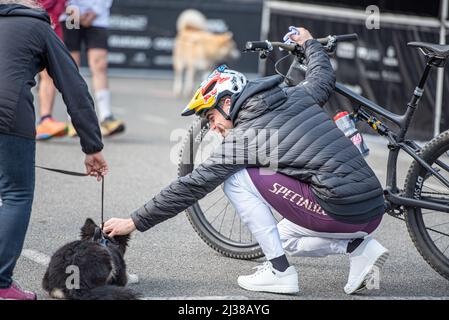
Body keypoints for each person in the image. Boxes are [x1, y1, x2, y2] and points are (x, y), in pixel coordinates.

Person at [104, 27, 389, 295]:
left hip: (342, 209)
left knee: (236, 177)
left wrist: (134, 221)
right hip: (373, 209)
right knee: (284, 238)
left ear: (227, 103)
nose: (213, 127)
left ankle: (280, 273)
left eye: (210, 117)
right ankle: (358, 248)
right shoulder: (297, 94)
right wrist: (310, 43)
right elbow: (322, 76)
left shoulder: (245, 136)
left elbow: (192, 185)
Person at [0, 0, 108, 300]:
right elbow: (73, 86)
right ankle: (1, 284)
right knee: (15, 195)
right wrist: (92, 147)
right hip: (9, 116)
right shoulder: (39, 26)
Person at [60, 0, 125, 137]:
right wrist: (70, 9)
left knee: (99, 64)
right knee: (71, 66)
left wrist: (96, 10)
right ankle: (73, 120)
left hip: (98, 16)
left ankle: (106, 116)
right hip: (71, 13)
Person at [36, 0, 68, 140]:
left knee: (49, 74)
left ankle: (45, 120)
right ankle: (44, 119)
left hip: (54, 24)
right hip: (36, 21)